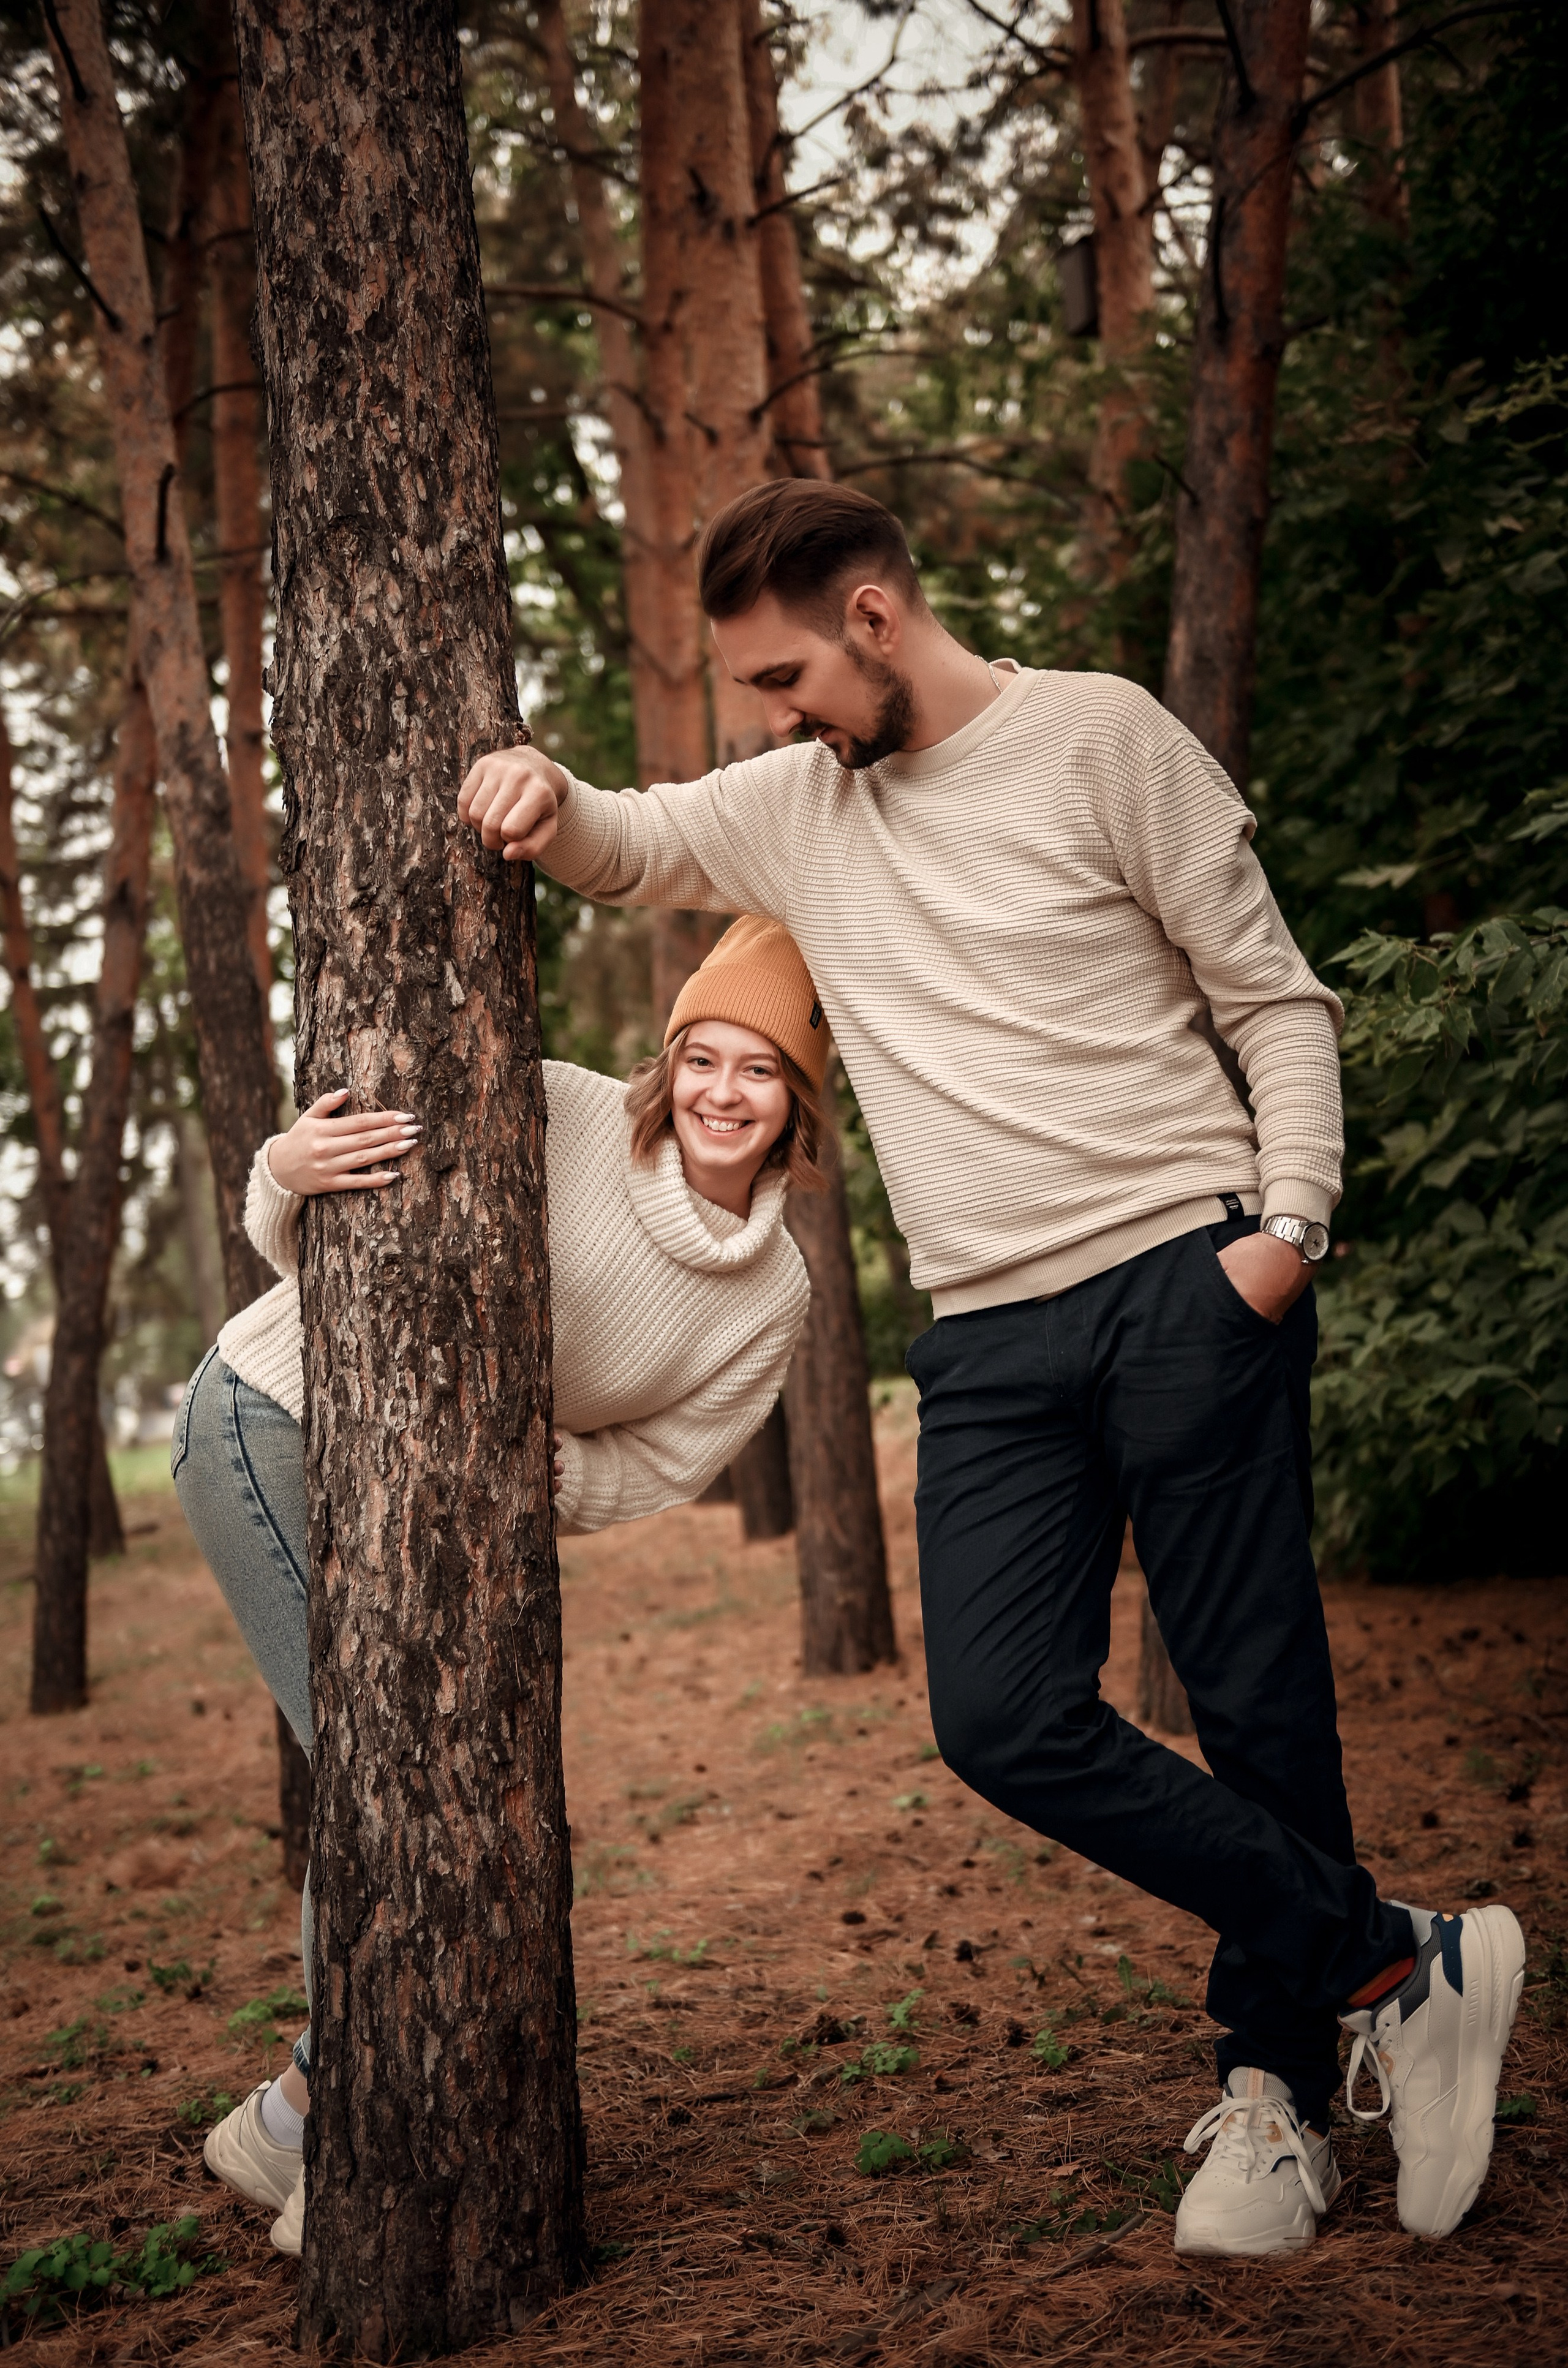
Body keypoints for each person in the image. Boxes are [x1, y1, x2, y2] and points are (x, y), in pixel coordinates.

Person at [457, 477, 1526, 2261]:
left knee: (1255, 1709)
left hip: (1190, 1274)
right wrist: (537, 795)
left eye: (789, 676)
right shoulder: (803, 803)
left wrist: (1289, 1232)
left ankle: (1272, 2101)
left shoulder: (1104, 736)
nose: (774, 721)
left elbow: (1272, 998)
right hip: (992, 1338)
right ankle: (1400, 1963)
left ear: (876, 617)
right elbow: (627, 840)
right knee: (1002, 1717)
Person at [173, 916, 824, 2254]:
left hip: (442, 1513)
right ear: (663, 1064)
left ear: (800, 1102)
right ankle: (346, 2131)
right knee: (381, 1766)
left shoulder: (771, 1290)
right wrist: (277, 1170)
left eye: (756, 1069)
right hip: (274, 1420)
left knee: (414, 1774)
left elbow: (663, 1460)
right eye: (698, 1055)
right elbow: (335, 1244)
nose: (718, 1090)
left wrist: (494, 1468)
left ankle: (299, 2111)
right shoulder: (546, 1102)